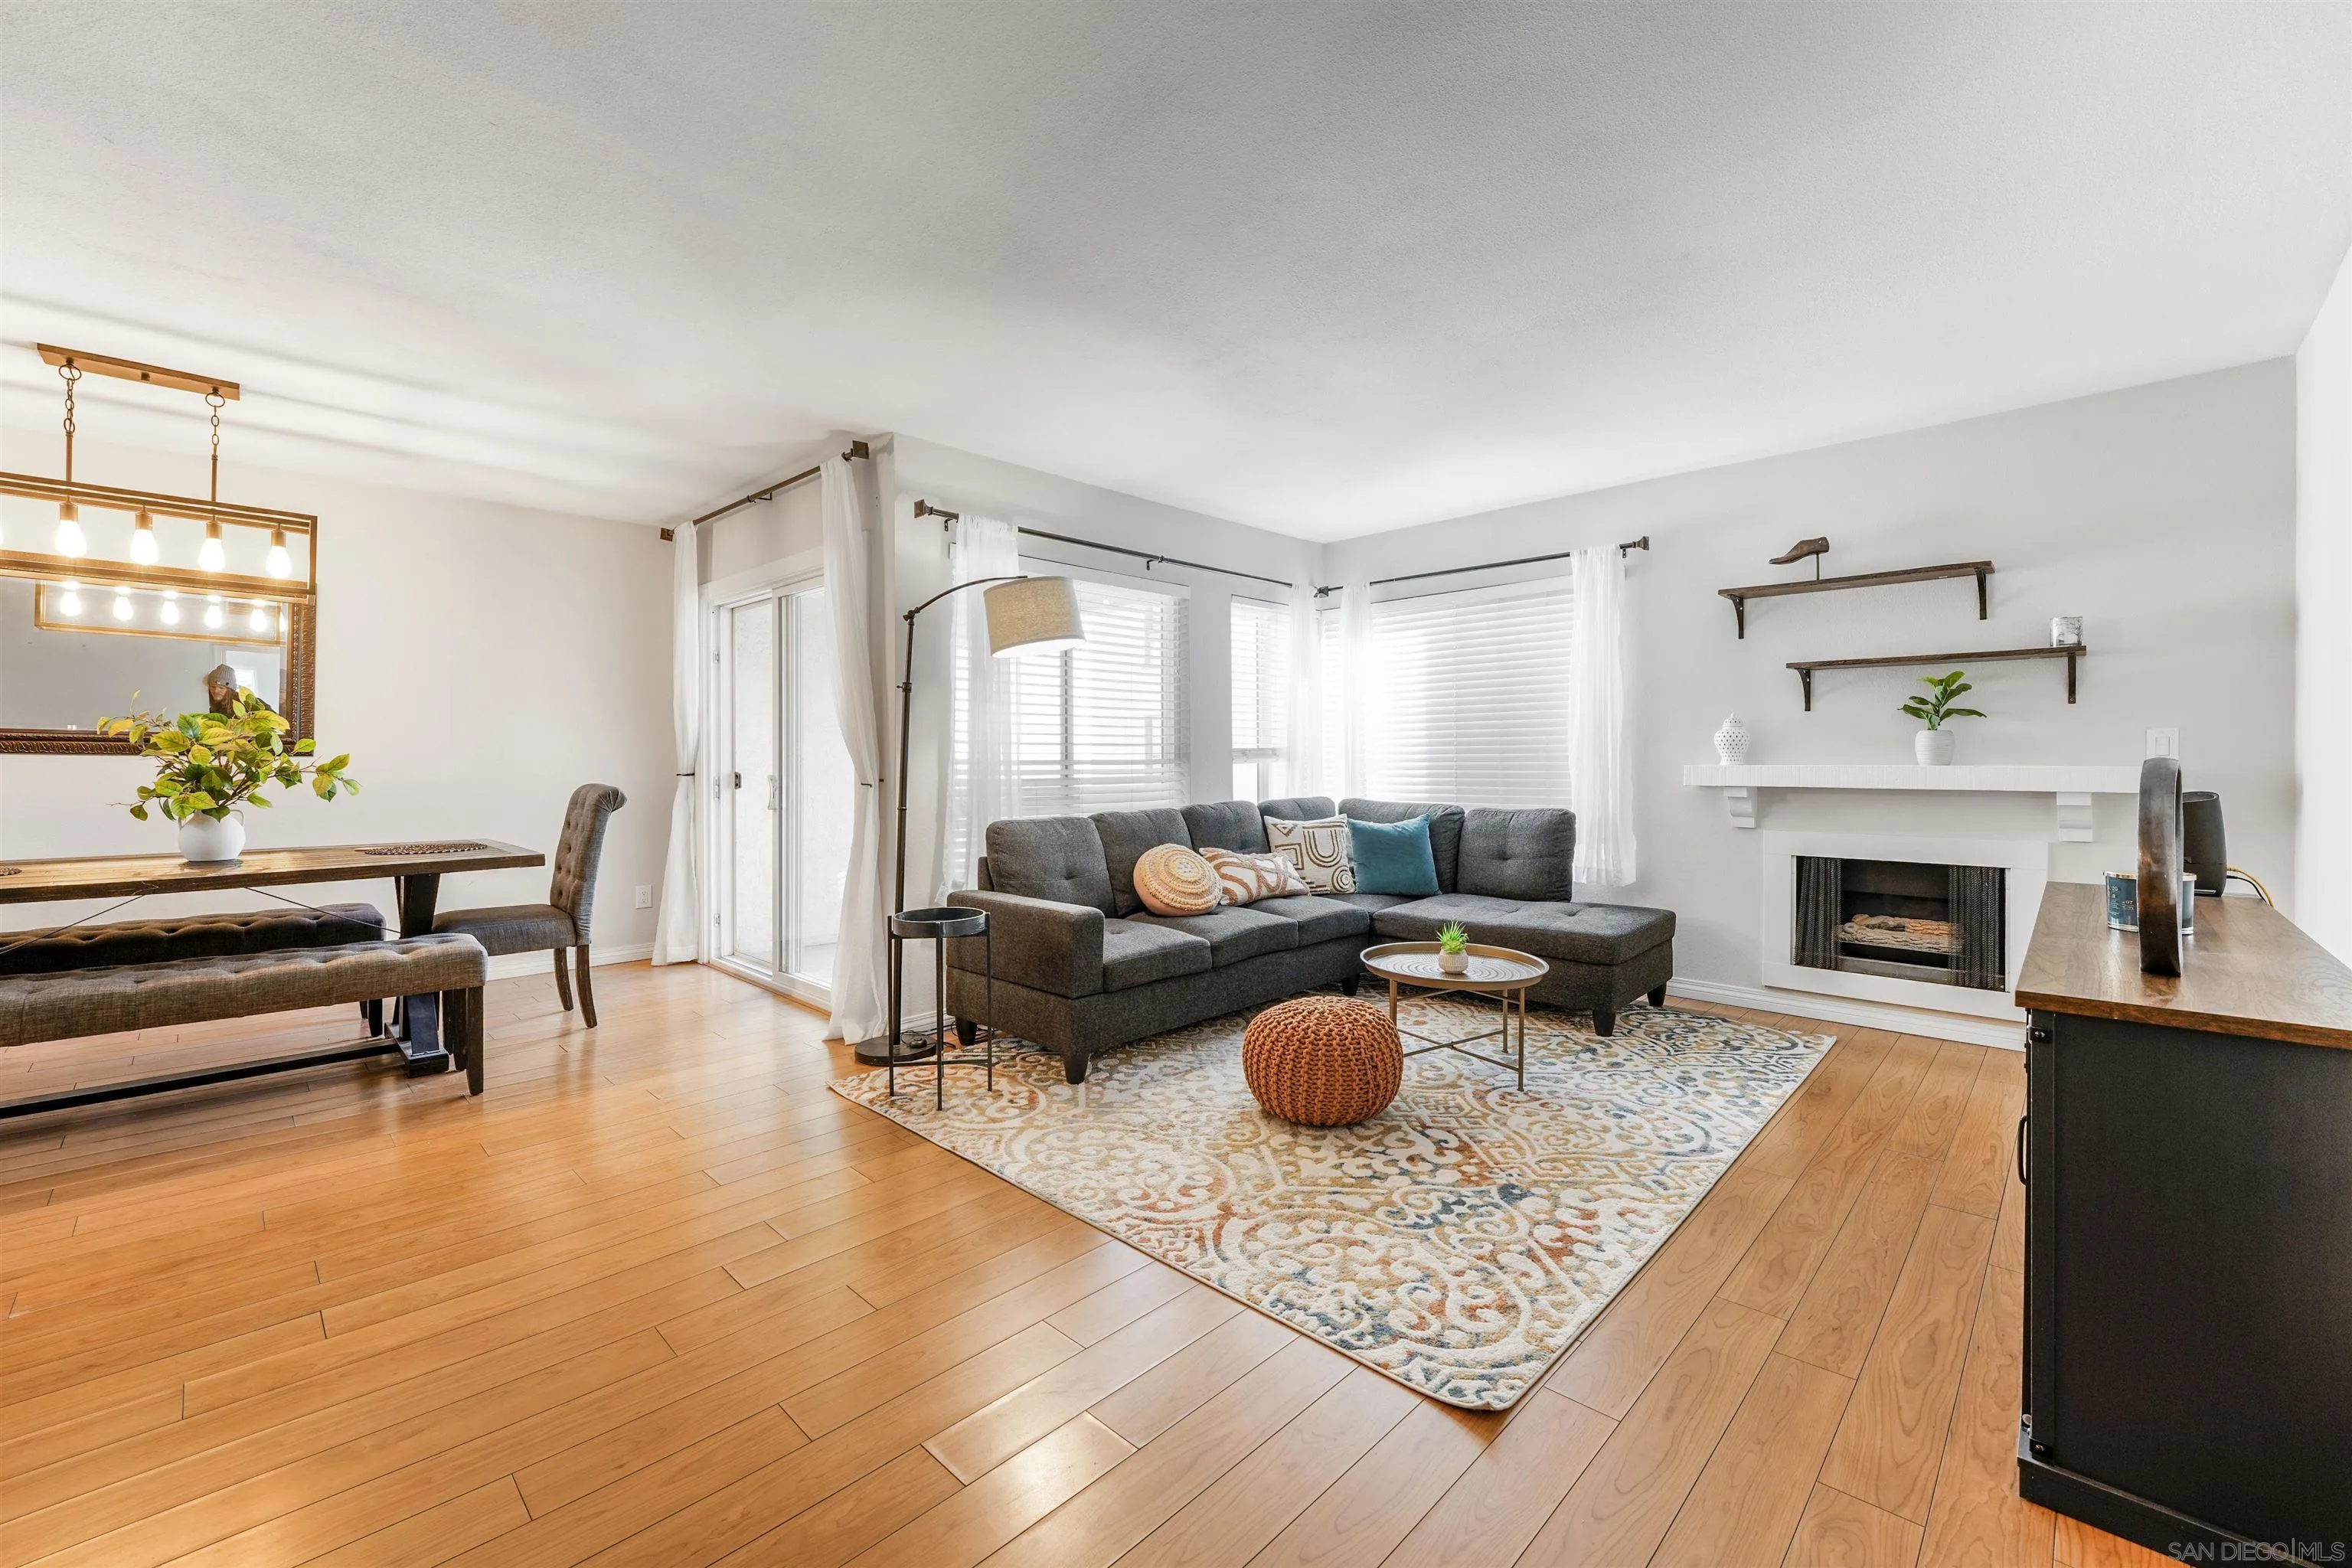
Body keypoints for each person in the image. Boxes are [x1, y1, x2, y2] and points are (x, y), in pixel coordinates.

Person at [204, 663, 272, 716]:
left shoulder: (247, 702)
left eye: (221, 688)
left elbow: (275, 721)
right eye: (213, 687)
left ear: (230, 689)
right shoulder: (210, 706)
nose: (216, 691)